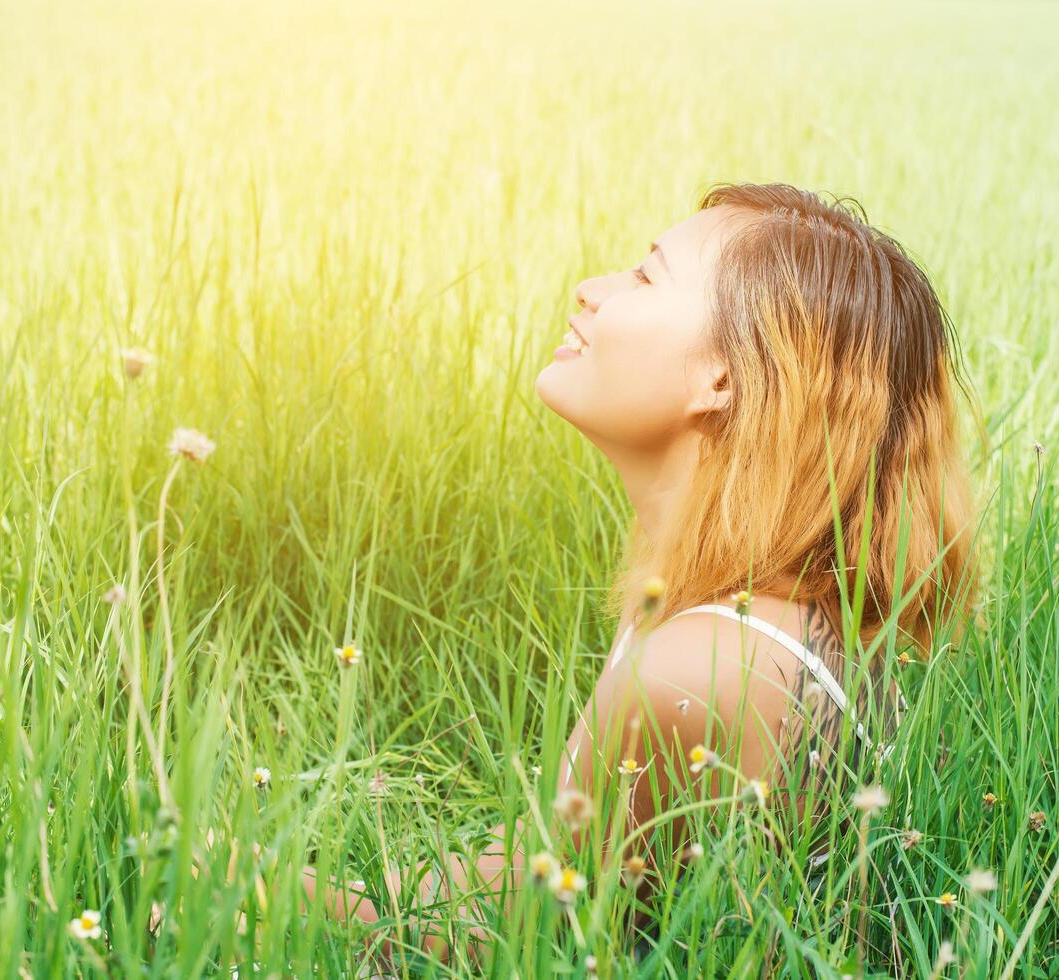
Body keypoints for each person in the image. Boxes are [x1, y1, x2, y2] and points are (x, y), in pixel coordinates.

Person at [298, 181, 981, 963]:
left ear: (720, 379)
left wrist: (229, 875)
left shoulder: (690, 668)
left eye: (646, 276)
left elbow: (470, 941)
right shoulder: (763, 609)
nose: (591, 292)